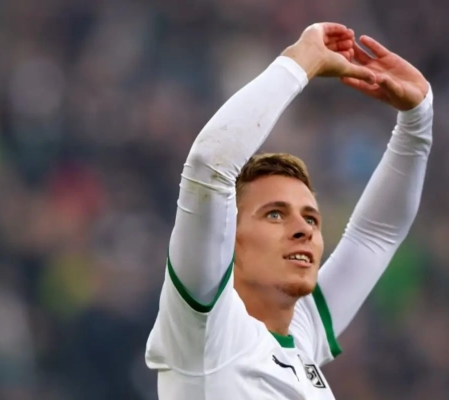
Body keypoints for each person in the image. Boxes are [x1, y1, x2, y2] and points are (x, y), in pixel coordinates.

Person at [145, 22, 433, 399]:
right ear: (228, 240)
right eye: (275, 214)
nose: (304, 229)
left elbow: (375, 234)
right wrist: (300, 61)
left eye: (311, 218)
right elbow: (209, 165)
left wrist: (417, 119)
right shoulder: (204, 328)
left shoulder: (302, 333)